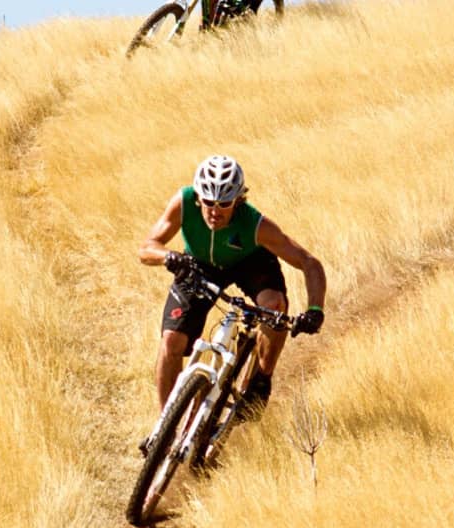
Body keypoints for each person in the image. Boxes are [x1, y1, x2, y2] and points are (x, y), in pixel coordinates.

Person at [138, 155, 327, 434]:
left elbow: (309, 263)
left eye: (224, 204)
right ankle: (166, 427)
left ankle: (262, 376)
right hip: (198, 264)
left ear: (237, 201)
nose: (215, 211)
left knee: (274, 306)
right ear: (198, 197)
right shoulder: (184, 202)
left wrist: (315, 310)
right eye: (208, 202)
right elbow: (147, 247)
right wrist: (169, 257)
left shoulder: (255, 224)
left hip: (249, 263)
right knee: (171, 342)